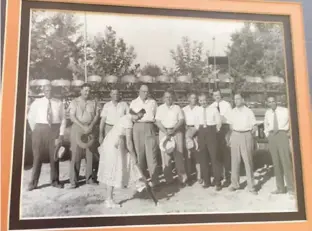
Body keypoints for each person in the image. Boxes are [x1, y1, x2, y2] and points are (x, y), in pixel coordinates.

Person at [97, 109, 147, 208]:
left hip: (113, 144)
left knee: (128, 161)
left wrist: (132, 155)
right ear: (135, 113)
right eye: (140, 115)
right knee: (113, 171)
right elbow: (129, 143)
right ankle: (109, 200)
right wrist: (134, 155)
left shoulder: (125, 118)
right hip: (112, 147)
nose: (141, 118)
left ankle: (138, 183)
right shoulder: (128, 121)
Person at [27, 84, 66, 191]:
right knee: (37, 157)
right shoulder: (37, 102)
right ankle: (33, 183)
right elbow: (30, 117)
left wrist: (61, 134)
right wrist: (36, 130)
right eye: (47, 90)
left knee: (54, 156)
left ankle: (55, 181)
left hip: (54, 130)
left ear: (53, 91)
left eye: (50, 90)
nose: (49, 92)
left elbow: (63, 119)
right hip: (39, 130)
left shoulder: (59, 103)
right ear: (43, 91)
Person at [68, 83, 100, 189]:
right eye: (85, 90)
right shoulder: (74, 102)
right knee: (76, 154)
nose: (87, 93)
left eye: (89, 91)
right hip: (77, 128)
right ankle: (73, 181)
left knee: (90, 154)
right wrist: (82, 126)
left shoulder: (93, 102)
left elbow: (96, 115)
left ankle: (89, 179)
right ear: (81, 91)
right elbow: (72, 117)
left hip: (90, 128)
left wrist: (90, 126)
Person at [227, 93, 258, 195]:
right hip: (235, 135)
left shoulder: (248, 111)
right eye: (235, 99)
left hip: (246, 135)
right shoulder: (232, 111)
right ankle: (235, 184)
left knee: (248, 161)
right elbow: (231, 126)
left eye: (238, 99)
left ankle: (251, 186)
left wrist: (250, 137)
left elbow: (254, 126)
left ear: (243, 100)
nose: (236, 101)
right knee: (235, 161)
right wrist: (232, 136)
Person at [155, 89, 188, 186]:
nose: (168, 99)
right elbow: (158, 121)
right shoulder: (160, 108)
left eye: (170, 97)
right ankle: (168, 179)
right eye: (166, 97)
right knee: (165, 157)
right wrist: (166, 132)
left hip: (176, 132)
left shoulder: (177, 108)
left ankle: (182, 179)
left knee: (179, 156)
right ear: (163, 98)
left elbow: (181, 120)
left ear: (173, 98)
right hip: (164, 132)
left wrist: (173, 130)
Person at [264, 96, 294, 195]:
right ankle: (280, 188)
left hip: (282, 135)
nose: (272, 103)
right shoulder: (268, 113)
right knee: (276, 163)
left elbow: (292, 121)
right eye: (269, 102)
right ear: (267, 103)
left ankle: (291, 188)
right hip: (272, 136)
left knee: (286, 161)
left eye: (273, 101)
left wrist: (289, 132)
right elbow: (266, 126)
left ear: (276, 102)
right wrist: (268, 135)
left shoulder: (285, 110)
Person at [129, 85, 159, 187]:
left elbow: (155, 116)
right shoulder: (134, 102)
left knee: (152, 155)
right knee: (139, 155)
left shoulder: (153, 102)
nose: (145, 93)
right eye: (143, 91)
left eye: (147, 92)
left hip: (150, 127)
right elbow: (131, 117)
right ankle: (141, 181)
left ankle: (155, 181)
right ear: (139, 91)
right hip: (137, 128)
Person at [194, 93, 222, 191]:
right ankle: (206, 181)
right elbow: (196, 123)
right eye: (201, 101)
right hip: (201, 133)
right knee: (203, 158)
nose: (203, 102)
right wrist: (200, 130)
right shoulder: (197, 110)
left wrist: (213, 132)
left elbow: (219, 123)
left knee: (214, 158)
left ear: (207, 100)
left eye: (204, 100)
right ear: (199, 101)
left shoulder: (213, 109)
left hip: (211, 132)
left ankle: (218, 182)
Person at [210, 88, 232, 187]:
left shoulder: (227, 105)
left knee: (226, 154)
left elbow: (229, 118)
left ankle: (228, 177)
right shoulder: (211, 106)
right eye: (215, 95)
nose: (217, 97)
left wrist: (220, 118)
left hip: (225, 128)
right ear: (212, 96)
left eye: (218, 95)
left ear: (221, 95)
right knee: (217, 154)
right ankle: (218, 177)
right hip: (215, 131)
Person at [182, 92, 201, 183]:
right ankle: (189, 176)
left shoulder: (199, 109)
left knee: (197, 154)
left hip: (196, 131)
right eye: (192, 98)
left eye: (195, 98)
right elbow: (182, 121)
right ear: (188, 99)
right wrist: (187, 129)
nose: (194, 99)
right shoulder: (184, 109)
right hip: (187, 130)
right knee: (188, 155)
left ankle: (199, 176)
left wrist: (194, 131)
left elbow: (200, 122)